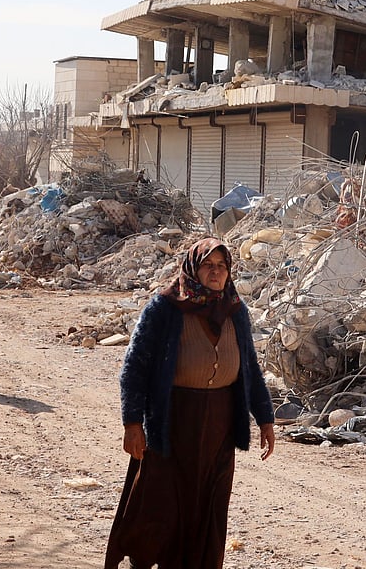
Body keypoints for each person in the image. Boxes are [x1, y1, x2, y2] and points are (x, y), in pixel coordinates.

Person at [105, 238, 275, 569]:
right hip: (172, 421)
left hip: (219, 426)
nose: (215, 272)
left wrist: (265, 419)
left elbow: (250, 368)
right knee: (159, 505)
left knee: (208, 507)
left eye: (221, 266)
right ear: (193, 269)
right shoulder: (165, 308)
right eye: (208, 265)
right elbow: (135, 366)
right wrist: (132, 424)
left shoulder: (235, 310)